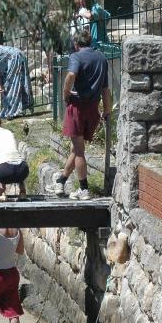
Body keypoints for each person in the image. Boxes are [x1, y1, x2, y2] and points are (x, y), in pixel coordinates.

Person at [47, 28, 112, 199]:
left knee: (79, 151)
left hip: (77, 107)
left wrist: (65, 92)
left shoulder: (75, 56)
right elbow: (105, 88)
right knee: (76, 149)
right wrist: (107, 110)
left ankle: (84, 189)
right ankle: (61, 180)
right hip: (93, 108)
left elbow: (70, 75)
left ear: (76, 44)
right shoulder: (102, 58)